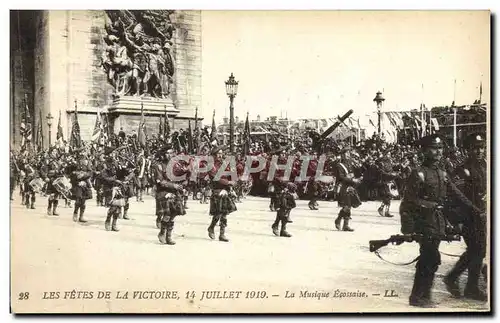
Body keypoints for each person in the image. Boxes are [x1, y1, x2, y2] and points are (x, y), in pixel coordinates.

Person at [401, 134, 483, 307]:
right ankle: (417, 296)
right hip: (423, 222)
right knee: (429, 257)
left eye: (440, 149)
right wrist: (408, 229)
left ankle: (424, 295)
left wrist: (477, 210)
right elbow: (408, 202)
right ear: (424, 151)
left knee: (431, 258)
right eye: (433, 148)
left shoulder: (442, 173)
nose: (438, 152)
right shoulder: (419, 174)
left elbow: (458, 195)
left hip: (437, 222)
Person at [443, 133, 487, 301]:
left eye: (481, 147)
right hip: (469, 216)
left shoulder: (484, 165)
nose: (479, 151)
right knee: (477, 249)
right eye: (475, 148)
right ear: (468, 149)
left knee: (478, 250)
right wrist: (459, 220)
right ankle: (469, 287)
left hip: (482, 215)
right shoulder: (462, 170)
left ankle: (456, 279)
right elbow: (456, 196)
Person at [334, 148, 363, 232]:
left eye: (348, 153)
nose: (348, 155)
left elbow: (356, 173)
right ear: (342, 155)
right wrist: (352, 180)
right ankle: (338, 219)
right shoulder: (339, 165)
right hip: (342, 187)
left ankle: (345, 225)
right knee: (346, 206)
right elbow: (341, 177)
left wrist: (359, 168)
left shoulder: (350, 164)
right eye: (346, 153)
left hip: (350, 187)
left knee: (349, 206)